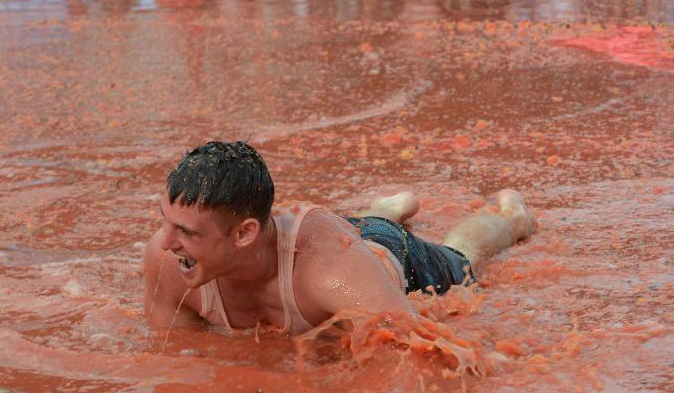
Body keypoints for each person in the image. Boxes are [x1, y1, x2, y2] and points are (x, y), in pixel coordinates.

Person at [144, 141, 537, 335]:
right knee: (355, 230)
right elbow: (186, 359)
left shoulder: (335, 273)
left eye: (187, 233)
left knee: (462, 258)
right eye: (165, 222)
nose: (165, 243)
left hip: (385, 254)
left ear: (245, 233)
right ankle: (384, 207)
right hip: (334, 238)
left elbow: (421, 349)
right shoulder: (168, 263)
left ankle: (513, 218)